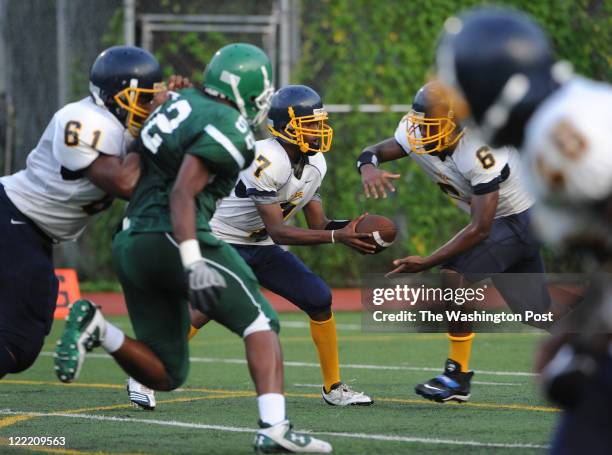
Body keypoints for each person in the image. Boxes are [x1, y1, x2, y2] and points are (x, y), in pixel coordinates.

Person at [54, 43, 331, 453]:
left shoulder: (175, 103)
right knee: (260, 323)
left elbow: (138, 160)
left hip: (131, 239)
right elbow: (183, 193)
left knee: (166, 372)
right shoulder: (231, 127)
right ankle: (274, 428)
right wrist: (191, 259)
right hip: (174, 233)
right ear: (246, 88)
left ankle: (100, 330)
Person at [126, 84, 375, 411]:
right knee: (205, 308)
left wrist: (350, 230)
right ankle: (143, 373)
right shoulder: (266, 158)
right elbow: (281, 231)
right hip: (223, 237)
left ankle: (333, 387)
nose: (318, 131)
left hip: (261, 242)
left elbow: (318, 225)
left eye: (319, 123)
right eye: (310, 124)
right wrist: (336, 238)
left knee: (319, 298)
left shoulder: (317, 164)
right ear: (285, 126)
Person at [434, 6, 612, 451]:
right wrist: (578, 339)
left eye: (465, 91)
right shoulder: (555, 120)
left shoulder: (562, 134)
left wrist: (589, 345)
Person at [357, 81, 550, 403]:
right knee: (538, 312)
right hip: (509, 223)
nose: (425, 132)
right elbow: (374, 151)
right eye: (423, 124)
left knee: (454, 273)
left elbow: (480, 229)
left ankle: (457, 376)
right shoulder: (414, 130)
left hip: (520, 220)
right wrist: (367, 168)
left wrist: (427, 261)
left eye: (435, 125)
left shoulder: (481, 148)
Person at [0, 45, 167, 379]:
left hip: (28, 229)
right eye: (145, 99)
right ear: (120, 95)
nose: (151, 107)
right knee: (19, 339)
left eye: (154, 99)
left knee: (21, 337)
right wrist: (160, 128)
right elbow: (123, 181)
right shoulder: (82, 119)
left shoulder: (125, 130)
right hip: (13, 215)